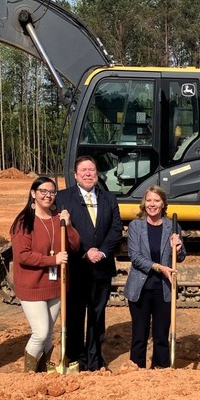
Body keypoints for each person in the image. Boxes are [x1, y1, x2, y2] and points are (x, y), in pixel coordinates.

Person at [56, 155, 123, 371]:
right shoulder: (63, 198)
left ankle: (94, 360)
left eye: (91, 170)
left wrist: (102, 252)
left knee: (97, 316)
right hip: (76, 267)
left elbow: (115, 229)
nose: (88, 173)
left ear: (97, 174)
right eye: (83, 170)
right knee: (74, 316)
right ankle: (75, 360)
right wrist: (86, 252)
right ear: (75, 175)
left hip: (101, 267)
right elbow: (61, 231)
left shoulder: (109, 199)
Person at [10, 176, 80, 372]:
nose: (48, 195)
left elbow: (74, 245)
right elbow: (22, 255)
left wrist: (69, 224)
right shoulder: (24, 222)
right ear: (33, 194)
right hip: (31, 286)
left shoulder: (59, 219)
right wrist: (53, 260)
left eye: (52, 192)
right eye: (43, 191)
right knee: (40, 333)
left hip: (55, 285)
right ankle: (29, 372)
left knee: (48, 333)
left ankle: (43, 368)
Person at [124, 186, 186, 368]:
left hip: (164, 289)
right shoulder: (136, 226)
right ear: (144, 203)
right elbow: (135, 257)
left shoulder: (172, 227)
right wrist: (159, 267)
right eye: (149, 200)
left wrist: (179, 248)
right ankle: (137, 371)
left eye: (157, 201)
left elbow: (181, 258)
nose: (152, 204)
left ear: (163, 204)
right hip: (140, 289)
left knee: (161, 336)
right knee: (139, 335)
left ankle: (161, 371)